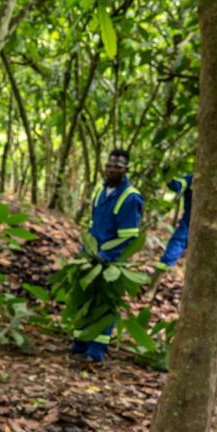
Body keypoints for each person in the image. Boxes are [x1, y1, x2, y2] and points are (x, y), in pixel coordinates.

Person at [71, 149, 144, 362]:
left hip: (112, 260)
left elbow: (129, 236)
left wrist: (107, 255)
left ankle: (96, 351)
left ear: (126, 169)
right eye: (110, 166)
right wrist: (86, 252)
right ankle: (80, 342)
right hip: (92, 256)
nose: (112, 170)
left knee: (105, 302)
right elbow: (94, 225)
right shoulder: (99, 192)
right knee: (84, 297)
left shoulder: (130, 197)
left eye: (118, 167)